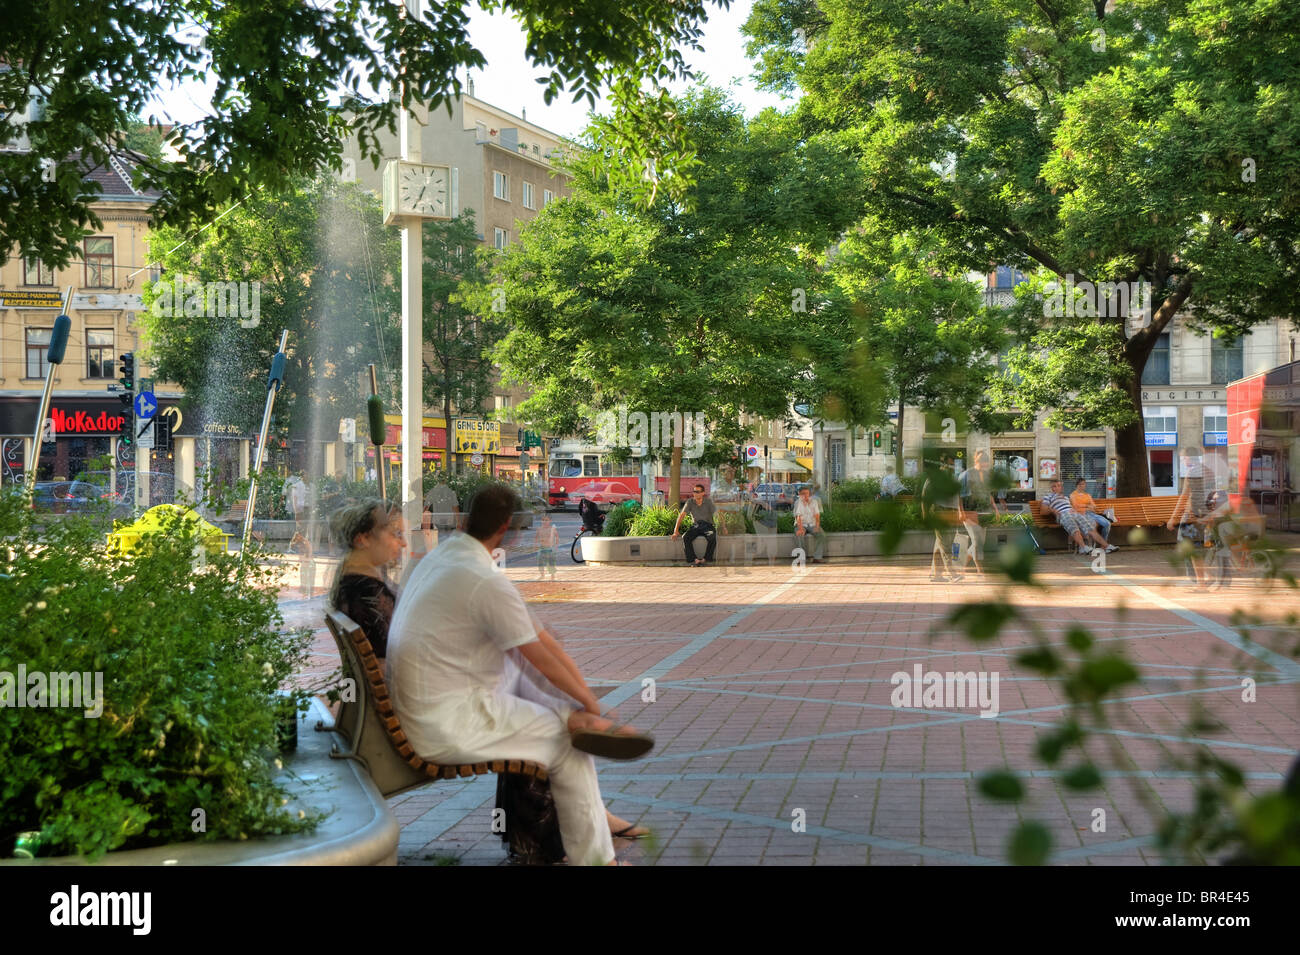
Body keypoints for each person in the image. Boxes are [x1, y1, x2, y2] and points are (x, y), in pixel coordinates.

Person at [387, 484, 654, 866]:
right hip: (443, 725)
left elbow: (540, 639)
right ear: (509, 529)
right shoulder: (484, 580)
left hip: (425, 709)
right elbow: (544, 659)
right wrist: (595, 707)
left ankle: (575, 722)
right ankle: (598, 861)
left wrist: (586, 706)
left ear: (464, 518)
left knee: (514, 673)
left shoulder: (444, 557)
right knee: (569, 744)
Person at [329, 499, 405, 660]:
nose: (402, 543)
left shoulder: (350, 579)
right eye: (390, 531)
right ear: (362, 539)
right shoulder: (365, 593)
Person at [1167, 448, 1210, 588]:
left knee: (1189, 546)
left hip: (1193, 515)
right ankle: (1198, 577)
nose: (1184, 461)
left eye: (1184, 458)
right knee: (1193, 545)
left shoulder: (1192, 473)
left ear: (1190, 458)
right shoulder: (1207, 471)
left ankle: (1200, 581)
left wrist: (1173, 518)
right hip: (1204, 514)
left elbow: (1184, 497)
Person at [957, 450, 1005, 572]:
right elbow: (958, 495)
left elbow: (989, 494)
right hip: (969, 512)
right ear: (976, 461)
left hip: (984, 512)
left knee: (980, 542)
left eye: (986, 462)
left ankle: (962, 564)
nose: (985, 464)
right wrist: (960, 511)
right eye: (982, 461)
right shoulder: (966, 474)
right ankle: (980, 570)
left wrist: (996, 509)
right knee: (977, 540)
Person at [1042, 479, 1115, 556]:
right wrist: (1053, 510)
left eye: (1059, 486)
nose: (1056, 488)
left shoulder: (1066, 498)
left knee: (1090, 528)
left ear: (1061, 487)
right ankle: (1083, 547)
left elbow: (1074, 507)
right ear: (1051, 488)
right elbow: (1043, 511)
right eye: (1054, 486)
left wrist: (1073, 510)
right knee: (1074, 528)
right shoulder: (1048, 497)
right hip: (1062, 514)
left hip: (1074, 513)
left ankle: (1107, 546)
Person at [671, 483, 717, 566]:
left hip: (707, 525)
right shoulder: (690, 502)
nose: (695, 493)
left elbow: (717, 514)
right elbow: (681, 515)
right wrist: (675, 531)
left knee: (712, 536)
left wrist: (723, 527)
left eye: (697, 492)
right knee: (686, 537)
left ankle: (706, 559)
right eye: (694, 491)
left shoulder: (708, 502)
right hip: (696, 526)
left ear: (703, 493)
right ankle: (694, 559)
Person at [793, 484, 827, 564]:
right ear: (799, 494)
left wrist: (817, 526)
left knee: (821, 535)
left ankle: (817, 558)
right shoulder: (798, 502)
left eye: (807, 493)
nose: (805, 495)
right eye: (803, 494)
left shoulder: (814, 502)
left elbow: (817, 515)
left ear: (809, 494)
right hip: (801, 524)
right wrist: (801, 529)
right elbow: (798, 517)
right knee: (799, 535)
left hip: (812, 524)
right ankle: (801, 558)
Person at [536, 512, 559, 580]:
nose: (544, 522)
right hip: (541, 548)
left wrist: (556, 545)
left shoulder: (552, 529)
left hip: (550, 548)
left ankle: (552, 575)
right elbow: (536, 537)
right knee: (540, 562)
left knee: (551, 562)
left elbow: (557, 537)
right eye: (543, 520)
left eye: (546, 520)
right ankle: (542, 574)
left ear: (550, 521)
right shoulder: (539, 529)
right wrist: (536, 544)